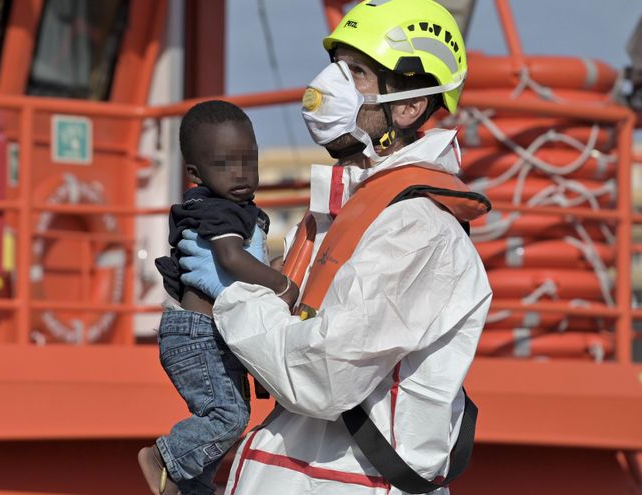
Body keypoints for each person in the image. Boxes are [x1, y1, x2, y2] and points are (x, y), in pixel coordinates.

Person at [177, 1, 492, 494]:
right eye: (337, 66)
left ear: (408, 106)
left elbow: (321, 378)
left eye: (358, 72)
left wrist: (231, 295)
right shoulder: (356, 208)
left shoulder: (416, 228)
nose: (328, 84)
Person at [138, 100, 299, 495]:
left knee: (230, 417)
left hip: (212, 335)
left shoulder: (236, 209)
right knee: (227, 417)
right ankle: (162, 458)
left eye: (249, 162)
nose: (241, 174)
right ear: (195, 173)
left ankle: (191, 487)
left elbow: (245, 262)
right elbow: (229, 257)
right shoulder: (218, 211)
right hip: (199, 335)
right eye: (225, 165)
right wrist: (284, 288)